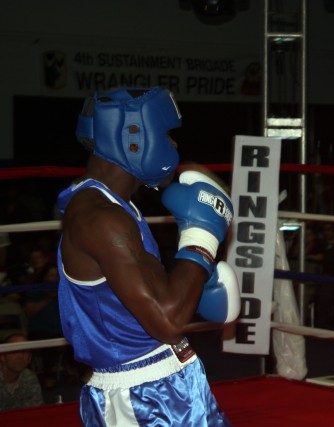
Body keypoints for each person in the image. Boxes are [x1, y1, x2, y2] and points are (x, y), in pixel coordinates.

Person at [56, 87, 240, 426]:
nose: (173, 145)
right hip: (142, 397)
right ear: (133, 138)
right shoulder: (102, 219)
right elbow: (168, 321)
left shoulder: (118, 207)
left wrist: (196, 280)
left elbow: (150, 297)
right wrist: (201, 237)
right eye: (166, 134)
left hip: (164, 383)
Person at [0, 332, 44, 410]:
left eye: (25, 351)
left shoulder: (30, 378)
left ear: (30, 358)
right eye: (14, 351)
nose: (20, 356)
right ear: (2, 356)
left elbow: (36, 411)